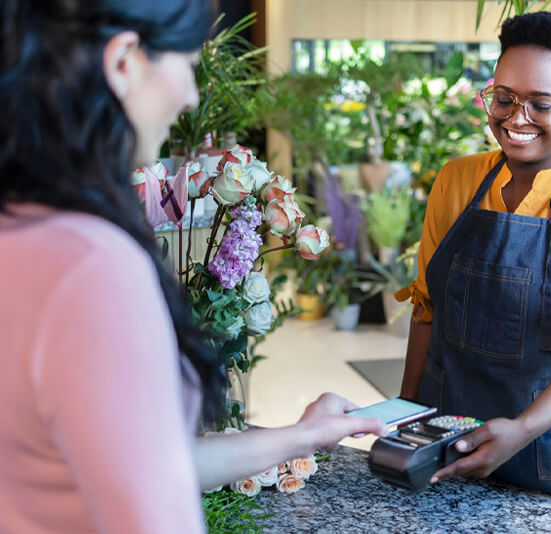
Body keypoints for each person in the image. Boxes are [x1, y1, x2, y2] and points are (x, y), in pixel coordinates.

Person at [0, 1, 384, 532]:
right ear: (125, 62)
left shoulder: (24, 227)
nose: (191, 95)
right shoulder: (93, 268)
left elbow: (146, 461)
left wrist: (303, 435)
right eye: (186, 63)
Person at [396, 11, 551, 507]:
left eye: (541, 104)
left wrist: (523, 428)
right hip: (454, 446)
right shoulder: (456, 181)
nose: (515, 118)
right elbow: (427, 312)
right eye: (503, 98)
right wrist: (404, 417)